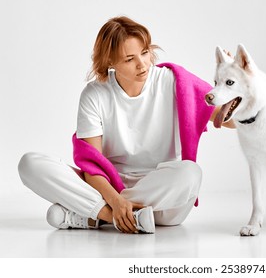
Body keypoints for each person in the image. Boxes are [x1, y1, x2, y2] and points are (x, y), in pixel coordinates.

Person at [18, 16, 234, 234]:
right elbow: (92, 166)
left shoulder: (173, 81)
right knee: (30, 164)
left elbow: (230, 119)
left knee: (190, 173)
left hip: (164, 198)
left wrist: (239, 85)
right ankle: (118, 216)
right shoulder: (95, 94)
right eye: (129, 59)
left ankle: (93, 214)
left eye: (145, 52)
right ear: (110, 62)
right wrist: (115, 201)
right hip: (108, 186)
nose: (143, 64)